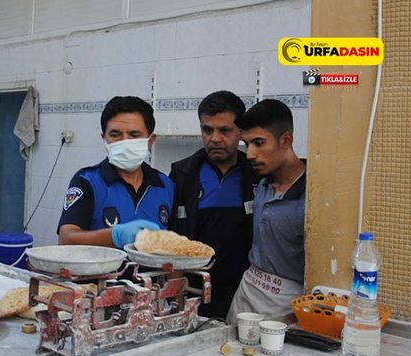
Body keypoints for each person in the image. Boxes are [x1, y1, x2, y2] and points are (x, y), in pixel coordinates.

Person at [169, 90, 257, 319]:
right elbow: (170, 235)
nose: (215, 138)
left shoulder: (257, 175)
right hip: (193, 289)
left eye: (224, 130)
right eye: (207, 130)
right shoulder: (181, 174)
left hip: (244, 291)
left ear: (240, 132)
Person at [226, 99, 307, 322]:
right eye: (247, 144)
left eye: (259, 143)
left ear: (286, 140)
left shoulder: (313, 194)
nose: (250, 154)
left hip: (286, 301)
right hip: (248, 288)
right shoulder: (260, 184)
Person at [58, 96, 174, 249]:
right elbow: (66, 239)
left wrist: (178, 274)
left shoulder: (165, 185)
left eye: (134, 135)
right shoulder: (87, 181)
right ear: (104, 139)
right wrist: (114, 235)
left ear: (150, 140)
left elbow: (174, 246)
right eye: (115, 134)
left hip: (153, 272)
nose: (124, 142)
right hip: (102, 272)